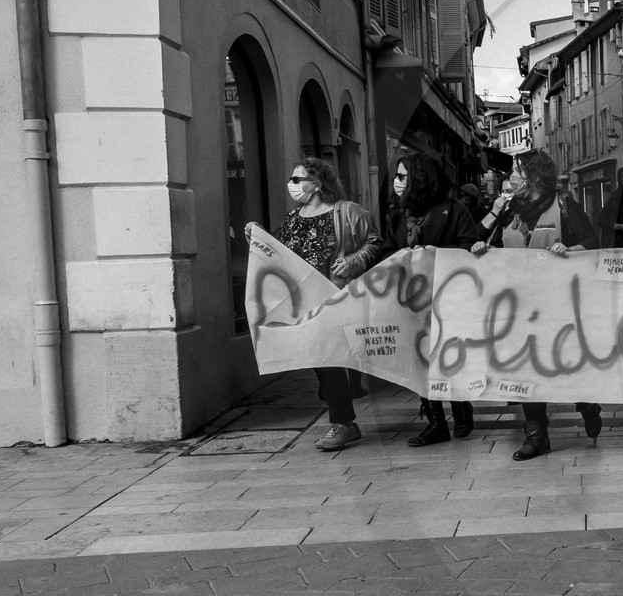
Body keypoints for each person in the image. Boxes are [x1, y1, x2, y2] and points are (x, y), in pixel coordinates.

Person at [470, 150, 603, 458]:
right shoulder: (506, 209)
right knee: (525, 367)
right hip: (518, 303)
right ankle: (536, 435)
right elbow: (477, 238)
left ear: (535, 176)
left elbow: (592, 241)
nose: (512, 179)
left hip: (559, 302)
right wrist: (481, 242)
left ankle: (586, 402)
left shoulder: (563, 204)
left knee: (563, 362)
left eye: (518, 172)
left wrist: (569, 249)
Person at [256, 156, 384, 452]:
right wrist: (257, 235)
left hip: (335, 296)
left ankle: (344, 423)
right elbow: (276, 252)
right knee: (319, 358)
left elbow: (375, 242)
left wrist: (354, 261)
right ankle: (341, 399)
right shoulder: (292, 218)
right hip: (302, 301)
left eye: (298, 179)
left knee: (327, 357)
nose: (292, 184)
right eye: (292, 179)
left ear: (317, 183)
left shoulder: (347, 211)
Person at [387, 151, 478, 448]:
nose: (397, 183)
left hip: (448, 298)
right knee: (421, 361)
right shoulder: (398, 216)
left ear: (419, 178)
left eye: (402, 177)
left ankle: (461, 406)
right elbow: (389, 252)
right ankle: (436, 422)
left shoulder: (454, 210)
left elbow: (468, 249)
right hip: (412, 301)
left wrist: (431, 254)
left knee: (448, 356)